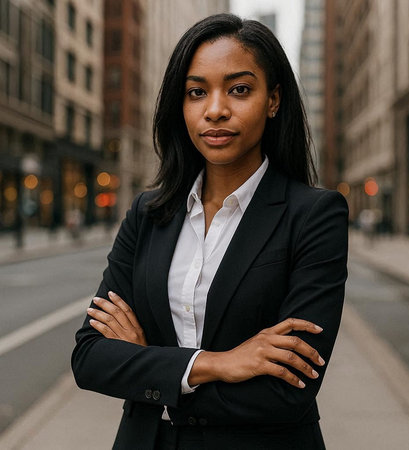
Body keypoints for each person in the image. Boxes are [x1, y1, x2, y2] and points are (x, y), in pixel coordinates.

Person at [71, 13, 348, 450]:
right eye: (196, 92)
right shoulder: (149, 213)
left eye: (239, 90)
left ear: (273, 100)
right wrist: (217, 364)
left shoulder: (314, 215)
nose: (215, 109)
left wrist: (149, 365)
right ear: (180, 106)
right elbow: (89, 358)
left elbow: (288, 389)